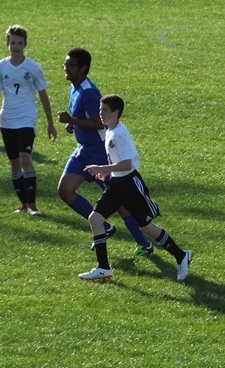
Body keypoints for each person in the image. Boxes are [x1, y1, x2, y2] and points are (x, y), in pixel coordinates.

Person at [80, 94, 193, 282]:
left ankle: (181, 256)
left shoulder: (119, 134)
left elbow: (127, 164)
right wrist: (108, 172)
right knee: (95, 218)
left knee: (146, 227)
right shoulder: (109, 130)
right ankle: (103, 268)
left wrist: (102, 168)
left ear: (116, 112)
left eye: (104, 110)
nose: (100, 113)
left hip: (130, 185)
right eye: (100, 110)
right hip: (116, 184)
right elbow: (118, 161)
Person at [56, 48, 155, 256]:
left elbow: (99, 123)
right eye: (66, 64)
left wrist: (72, 120)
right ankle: (105, 227)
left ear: (83, 68)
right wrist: (73, 124)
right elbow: (85, 117)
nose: (66, 68)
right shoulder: (75, 87)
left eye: (71, 66)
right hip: (83, 151)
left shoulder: (89, 93)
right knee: (65, 190)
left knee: (120, 203)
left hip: (100, 153)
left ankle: (144, 244)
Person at [0, 25, 57, 215]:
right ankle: (23, 204)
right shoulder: (1, 66)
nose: (16, 47)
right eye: (13, 43)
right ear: (7, 43)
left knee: (25, 158)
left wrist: (50, 123)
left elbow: (43, 95)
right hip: (7, 119)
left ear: (25, 44)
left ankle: (33, 204)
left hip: (26, 119)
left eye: (19, 43)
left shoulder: (33, 68)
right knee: (14, 163)